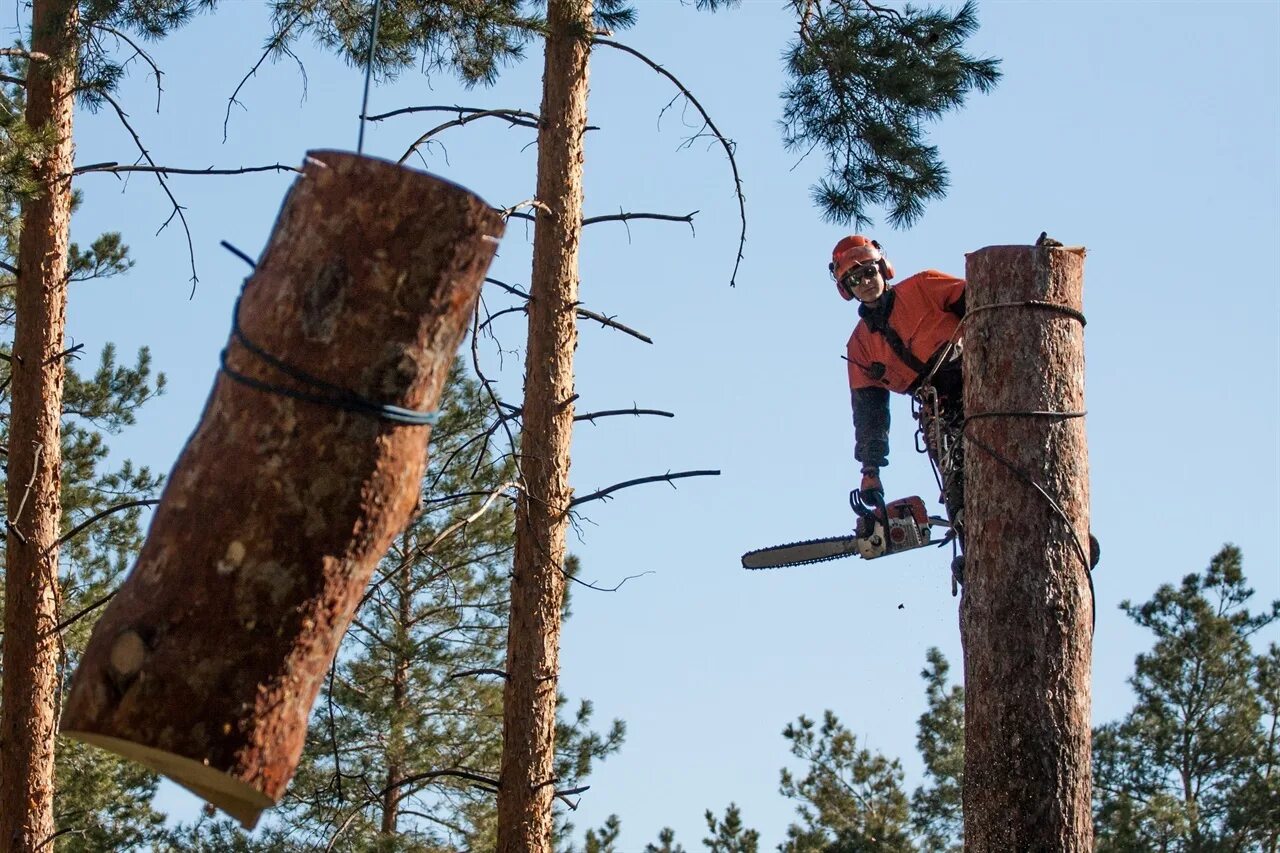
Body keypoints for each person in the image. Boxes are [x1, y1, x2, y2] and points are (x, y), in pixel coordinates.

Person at [831, 235, 967, 535]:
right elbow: (870, 415)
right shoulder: (860, 347)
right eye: (855, 279)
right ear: (847, 289)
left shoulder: (924, 287)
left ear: (882, 268)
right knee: (957, 478)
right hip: (938, 411)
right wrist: (870, 470)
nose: (865, 282)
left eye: (868, 272)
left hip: (977, 382)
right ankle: (970, 537)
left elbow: (984, 299)